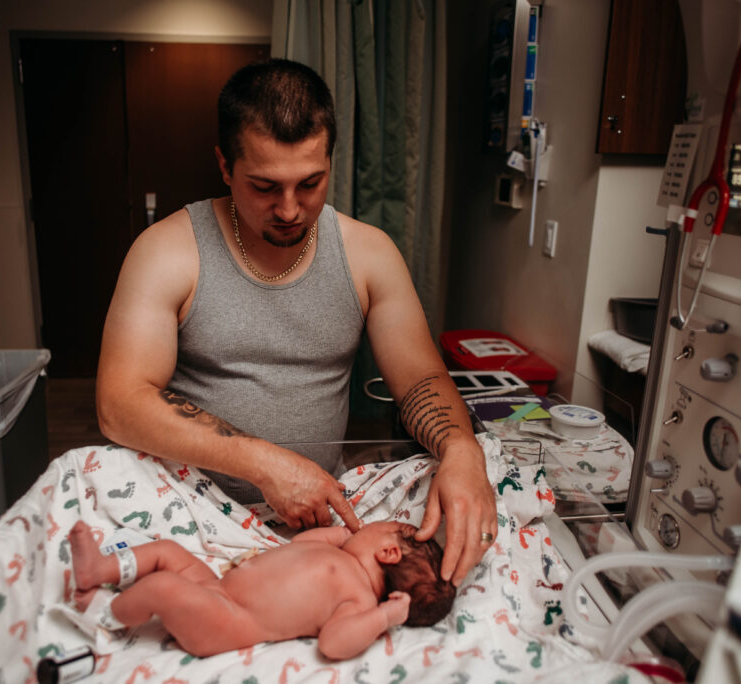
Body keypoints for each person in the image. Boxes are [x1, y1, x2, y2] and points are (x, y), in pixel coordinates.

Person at [96, 58, 496, 586]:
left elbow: (421, 380)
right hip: (186, 509)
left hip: (313, 519)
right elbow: (119, 404)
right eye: (264, 187)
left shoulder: (369, 254)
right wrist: (266, 464)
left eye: (310, 183)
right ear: (224, 166)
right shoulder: (167, 251)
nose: (289, 209)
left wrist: (462, 449)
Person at [67, 520, 455, 659]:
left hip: (226, 621)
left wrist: (384, 616)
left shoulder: (357, 601)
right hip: (216, 586)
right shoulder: (334, 551)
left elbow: (334, 644)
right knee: (169, 552)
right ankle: (97, 569)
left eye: (375, 524)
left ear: (387, 551)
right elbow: (296, 548)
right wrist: (333, 535)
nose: (360, 525)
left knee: (165, 587)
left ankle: (105, 615)